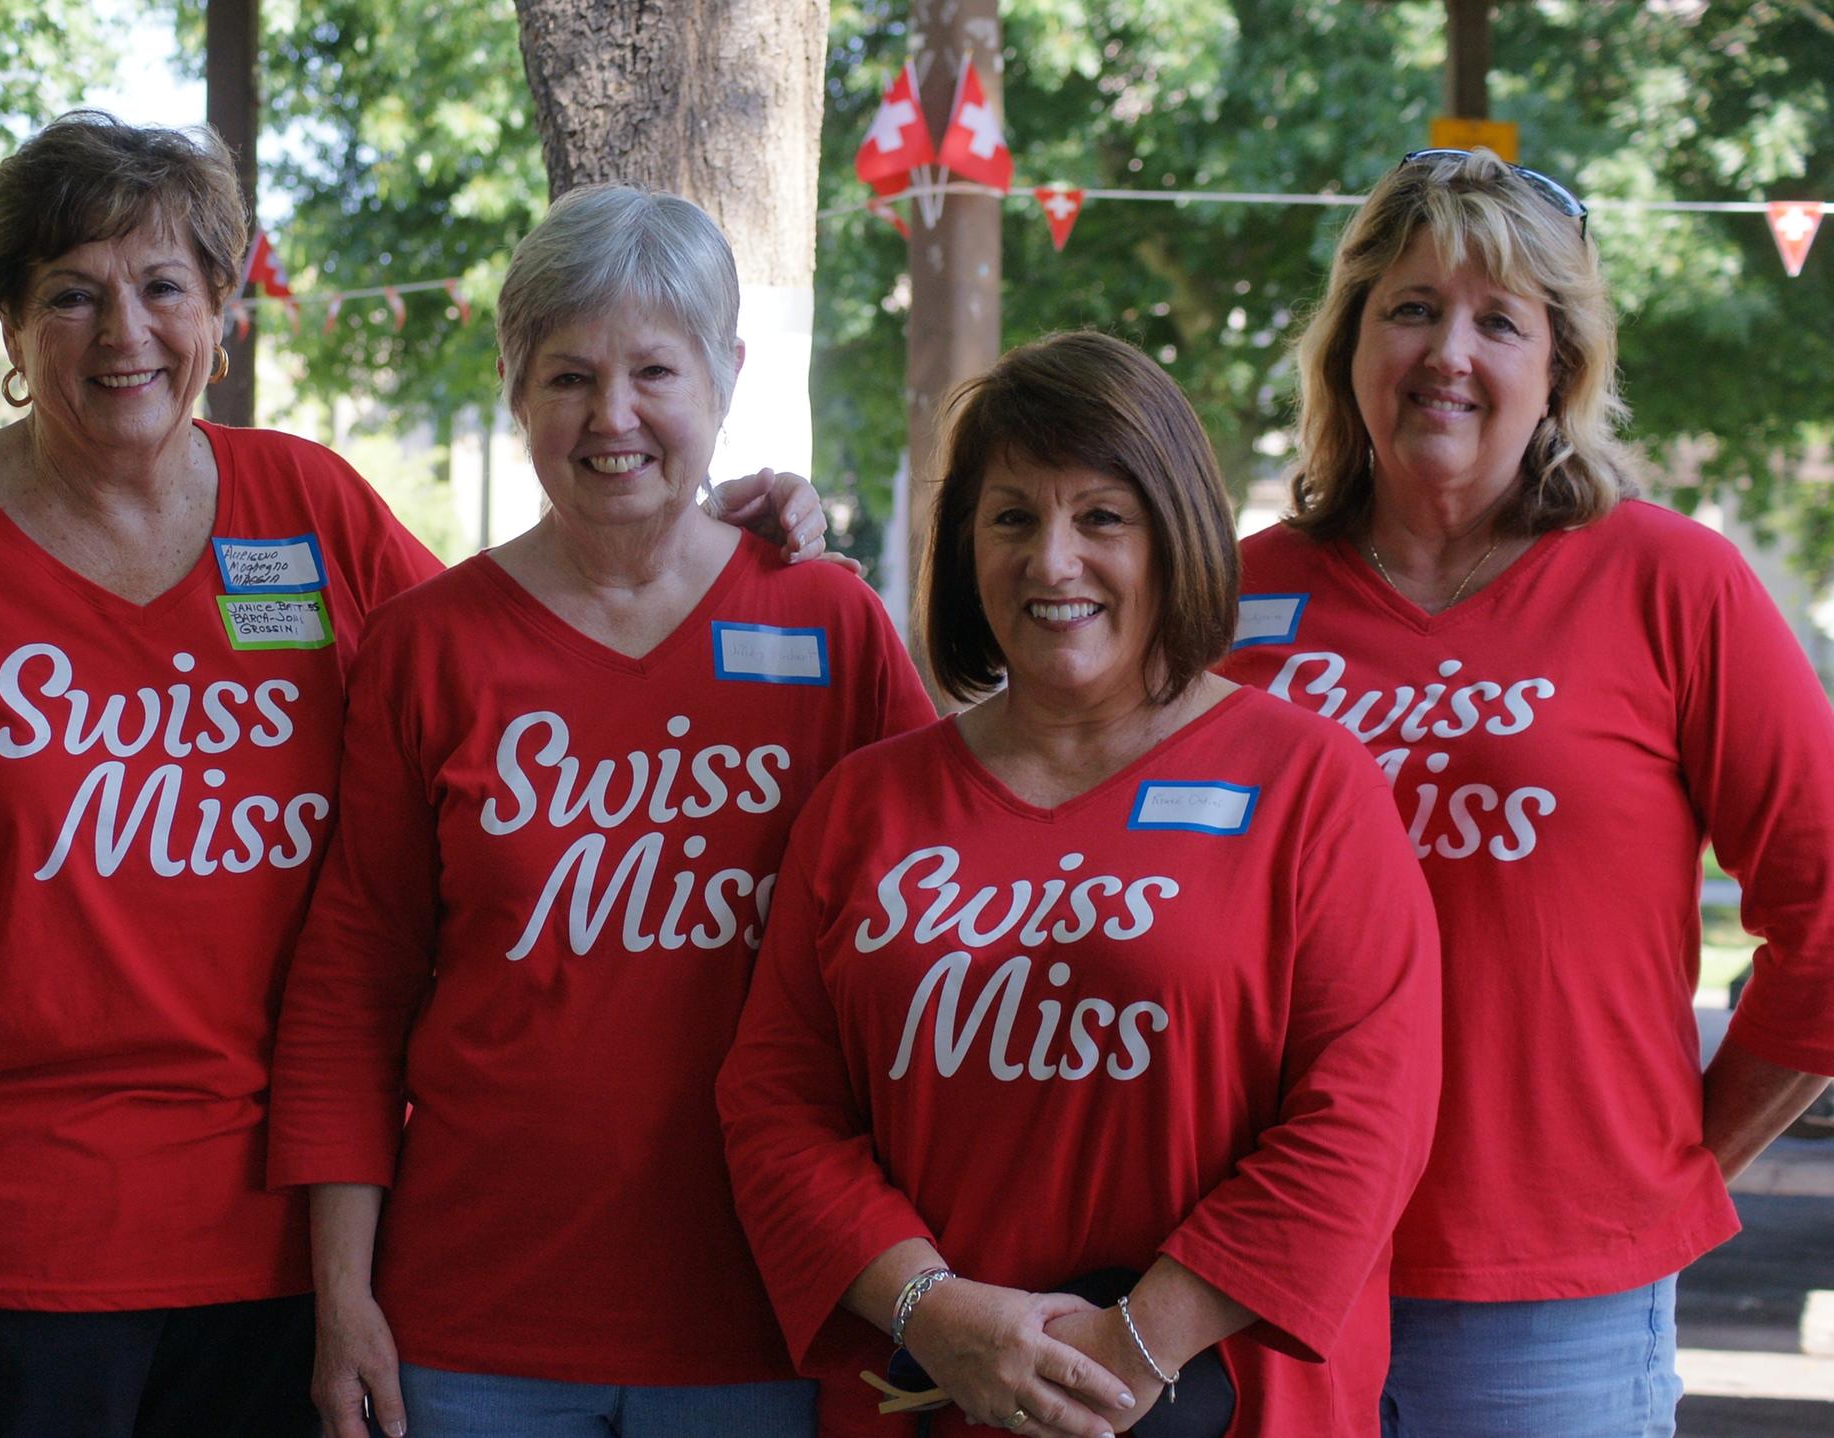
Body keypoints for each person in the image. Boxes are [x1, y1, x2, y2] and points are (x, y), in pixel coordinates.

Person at [0, 116, 831, 1438]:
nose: (123, 333)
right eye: (71, 294)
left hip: (273, 1241)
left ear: (223, 311)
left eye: (162, 288)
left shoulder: (308, 512)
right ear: (12, 328)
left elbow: (529, 689)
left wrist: (707, 531)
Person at [266, 182, 934, 1438]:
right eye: (567, 375)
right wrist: (342, 1297)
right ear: (515, 386)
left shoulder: (826, 624)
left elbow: (951, 901)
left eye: (653, 372)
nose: (611, 416)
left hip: (767, 1313)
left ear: (725, 375)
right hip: (474, 1326)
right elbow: (353, 986)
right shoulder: (428, 648)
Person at [719, 331, 1443, 1438]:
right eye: (1011, 517)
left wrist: (1141, 1338)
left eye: (1100, 517)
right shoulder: (867, 806)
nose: (1051, 562)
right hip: (929, 1398)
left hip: (1220, 1397)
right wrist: (934, 1312)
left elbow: (1368, 1115)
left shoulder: (1308, 783)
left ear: (1174, 537)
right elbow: (779, 1111)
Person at [1221, 148, 1834, 1436]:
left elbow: (1826, 911)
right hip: (1250, 1272)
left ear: (1556, 367)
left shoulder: (1671, 582)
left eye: (1498, 320)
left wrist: (1676, 1164)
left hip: (1550, 1301)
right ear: (1348, 345)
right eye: (1409, 307)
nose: (1448, 351)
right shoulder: (1228, 602)